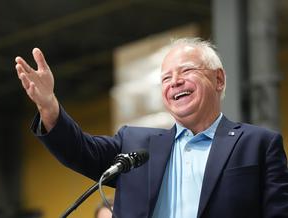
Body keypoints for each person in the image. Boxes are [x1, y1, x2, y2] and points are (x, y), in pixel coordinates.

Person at [15, 37, 288, 218]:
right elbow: (78, 150)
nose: (175, 82)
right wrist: (49, 106)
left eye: (186, 71)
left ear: (218, 79)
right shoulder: (135, 145)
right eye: (166, 78)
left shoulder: (259, 144)